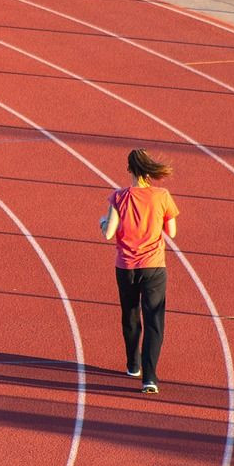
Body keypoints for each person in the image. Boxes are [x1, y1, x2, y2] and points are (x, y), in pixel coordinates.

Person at [99, 148, 179, 393]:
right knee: (154, 320)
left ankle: (133, 364)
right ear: (149, 169)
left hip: (126, 267)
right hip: (154, 266)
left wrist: (103, 222)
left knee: (130, 314)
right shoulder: (162, 195)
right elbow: (172, 232)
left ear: (129, 170)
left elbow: (108, 232)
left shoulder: (119, 197)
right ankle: (150, 378)